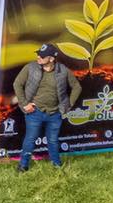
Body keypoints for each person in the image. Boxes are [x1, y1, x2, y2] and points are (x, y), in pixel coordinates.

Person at [12, 43, 82, 172]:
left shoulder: (62, 70)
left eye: (42, 55)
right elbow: (17, 84)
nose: (38, 56)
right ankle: (23, 166)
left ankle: (57, 165)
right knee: (30, 139)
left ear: (51, 59)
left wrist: (68, 105)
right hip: (35, 112)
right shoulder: (30, 68)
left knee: (53, 140)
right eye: (38, 54)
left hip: (55, 113)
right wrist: (24, 103)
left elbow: (76, 87)